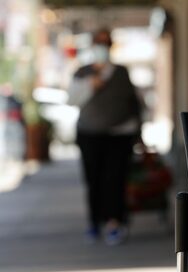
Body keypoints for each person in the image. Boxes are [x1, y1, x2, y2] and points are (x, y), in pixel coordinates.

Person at [68, 28, 142, 245]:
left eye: (105, 42)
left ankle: (115, 222)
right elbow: (71, 98)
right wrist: (91, 83)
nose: (102, 47)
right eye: (98, 42)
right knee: (93, 179)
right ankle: (94, 222)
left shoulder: (120, 72)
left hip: (120, 135)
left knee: (116, 179)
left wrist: (139, 132)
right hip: (89, 134)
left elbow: (133, 103)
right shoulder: (82, 72)